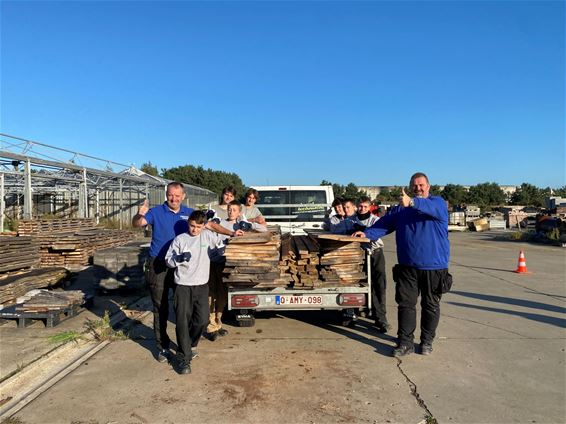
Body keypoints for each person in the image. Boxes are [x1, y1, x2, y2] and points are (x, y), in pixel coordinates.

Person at [132, 182, 239, 363]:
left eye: (177, 195)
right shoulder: (156, 212)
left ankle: (187, 343)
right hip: (159, 265)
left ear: (183, 196)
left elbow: (211, 226)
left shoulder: (189, 213)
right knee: (161, 307)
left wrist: (231, 233)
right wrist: (140, 213)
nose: (173, 198)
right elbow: (138, 223)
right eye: (170, 195)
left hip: (183, 267)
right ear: (166, 195)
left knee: (185, 310)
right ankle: (163, 346)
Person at [353, 172, 451, 357]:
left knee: (430, 305)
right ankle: (405, 342)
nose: (418, 188)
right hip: (407, 267)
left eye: (421, 185)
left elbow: (429, 207)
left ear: (428, 187)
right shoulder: (401, 210)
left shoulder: (437, 203)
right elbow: (384, 224)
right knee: (406, 305)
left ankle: (427, 341)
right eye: (414, 186)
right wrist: (367, 234)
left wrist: (412, 202)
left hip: (434, 267)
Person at [164, 210, 226, 374]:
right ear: (188, 224)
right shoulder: (180, 240)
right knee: (183, 321)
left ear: (203, 225)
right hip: (183, 286)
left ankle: (190, 344)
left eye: (198, 227)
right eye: (192, 226)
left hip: (201, 286)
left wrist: (222, 249)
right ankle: (184, 358)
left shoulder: (207, 236)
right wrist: (177, 259)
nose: (195, 230)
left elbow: (221, 243)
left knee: (202, 321)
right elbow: (168, 260)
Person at [205, 200, 267, 341]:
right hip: (213, 261)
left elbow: (264, 229)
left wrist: (251, 223)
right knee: (211, 293)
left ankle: (218, 322)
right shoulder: (219, 222)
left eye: (234, 210)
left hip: (227, 264)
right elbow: (207, 226)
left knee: (222, 294)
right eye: (229, 209)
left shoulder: (241, 225)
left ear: (239, 212)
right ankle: (210, 325)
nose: (230, 212)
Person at [330, 197, 390, 333]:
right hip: (358, 255)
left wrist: (365, 231)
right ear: (357, 207)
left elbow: (380, 232)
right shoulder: (350, 220)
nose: (362, 209)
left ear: (369, 207)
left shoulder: (375, 220)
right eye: (360, 206)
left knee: (379, 285)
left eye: (365, 207)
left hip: (375, 253)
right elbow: (336, 230)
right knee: (355, 283)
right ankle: (350, 313)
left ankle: (381, 317)